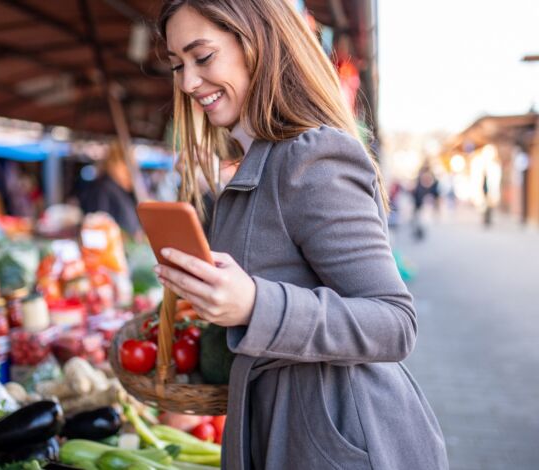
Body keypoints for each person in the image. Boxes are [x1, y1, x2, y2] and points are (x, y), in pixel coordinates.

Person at [154, 2, 448, 469]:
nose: (187, 82)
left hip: (335, 438)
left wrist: (254, 304)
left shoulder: (311, 156)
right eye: (177, 65)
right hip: (283, 430)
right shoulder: (259, 161)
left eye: (203, 57)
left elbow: (394, 323)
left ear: (258, 44)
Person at [78, 141, 142, 237]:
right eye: (126, 164)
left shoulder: (123, 190)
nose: (130, 171)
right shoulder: (103, 188)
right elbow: (98, 226)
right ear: (114, 163)